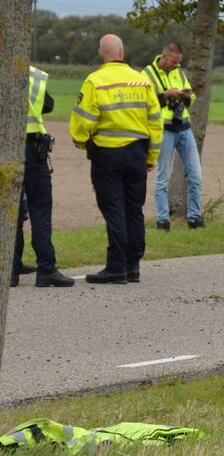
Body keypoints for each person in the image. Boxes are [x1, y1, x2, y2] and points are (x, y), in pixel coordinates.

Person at [70, 34, 163, 284]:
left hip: (107, 155)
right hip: (137, 154)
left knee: (114, 210)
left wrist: (81, 141)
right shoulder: (142, 82)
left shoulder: (95, 81)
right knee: (134, 210)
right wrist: (151, 155)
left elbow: (82, 120)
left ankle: (115, 267)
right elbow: (156, 122)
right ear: (122, 52)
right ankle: (133, 266)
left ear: (102, 52)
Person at [10, 66, 75, 288]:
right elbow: (48, 104)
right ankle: (46, 269)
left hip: (5, 147)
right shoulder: (33, 74)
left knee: (11, 212)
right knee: (39, 210)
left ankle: (11, 269)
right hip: (31, 147)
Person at [143, 42, 203, 230]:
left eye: (179, 63)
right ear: (164, 56)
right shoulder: (146, 75)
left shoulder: (178, 72)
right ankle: (163, 221)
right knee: (162, 178)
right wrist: (165, 96)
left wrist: (185, 96)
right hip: (164, 130)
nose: (176, 66)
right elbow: (144, 103)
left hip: (184, 128)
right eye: (174, 62)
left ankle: (195, 219)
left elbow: (190, 100)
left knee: (195, 176)